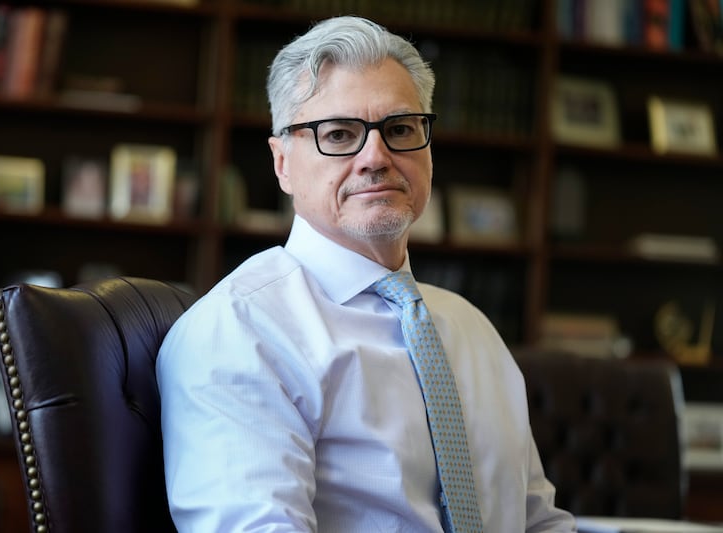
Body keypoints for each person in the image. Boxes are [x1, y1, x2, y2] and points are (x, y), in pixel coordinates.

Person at [157, 15, 577, 532]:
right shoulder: (242, 331)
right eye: (338, 134)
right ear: (282, 162)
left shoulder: (471, 328)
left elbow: (538, 520)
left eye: (400, 129)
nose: (375, 157)